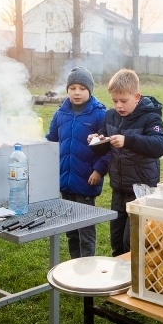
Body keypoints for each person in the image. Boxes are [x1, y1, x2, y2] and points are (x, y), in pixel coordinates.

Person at [91, 69, 163, 257]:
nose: (119, 106)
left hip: (141, 189)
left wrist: (128, 140)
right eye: (115, 101)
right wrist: (97, 140)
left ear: (137, 97)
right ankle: (118, 282)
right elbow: (105, 145)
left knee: (131, 242)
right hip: (118, 188)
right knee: (116, 241)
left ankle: (134, 281)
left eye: (124, 101)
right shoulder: (110, 116)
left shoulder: (151, 117)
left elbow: (160, 145)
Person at [46, 66, 110, 258]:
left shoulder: (100, 114)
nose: (77, 92)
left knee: (85, 229)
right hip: (65, 180)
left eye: (82, 88)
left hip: (86, 180)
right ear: (67, 89)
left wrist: (98, 170)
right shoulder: (60, 114)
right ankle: (74, 264)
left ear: (89, 90)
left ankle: (87, 265)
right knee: (70, 229)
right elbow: (51, 141)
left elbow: (108, 149)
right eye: (72, 87)